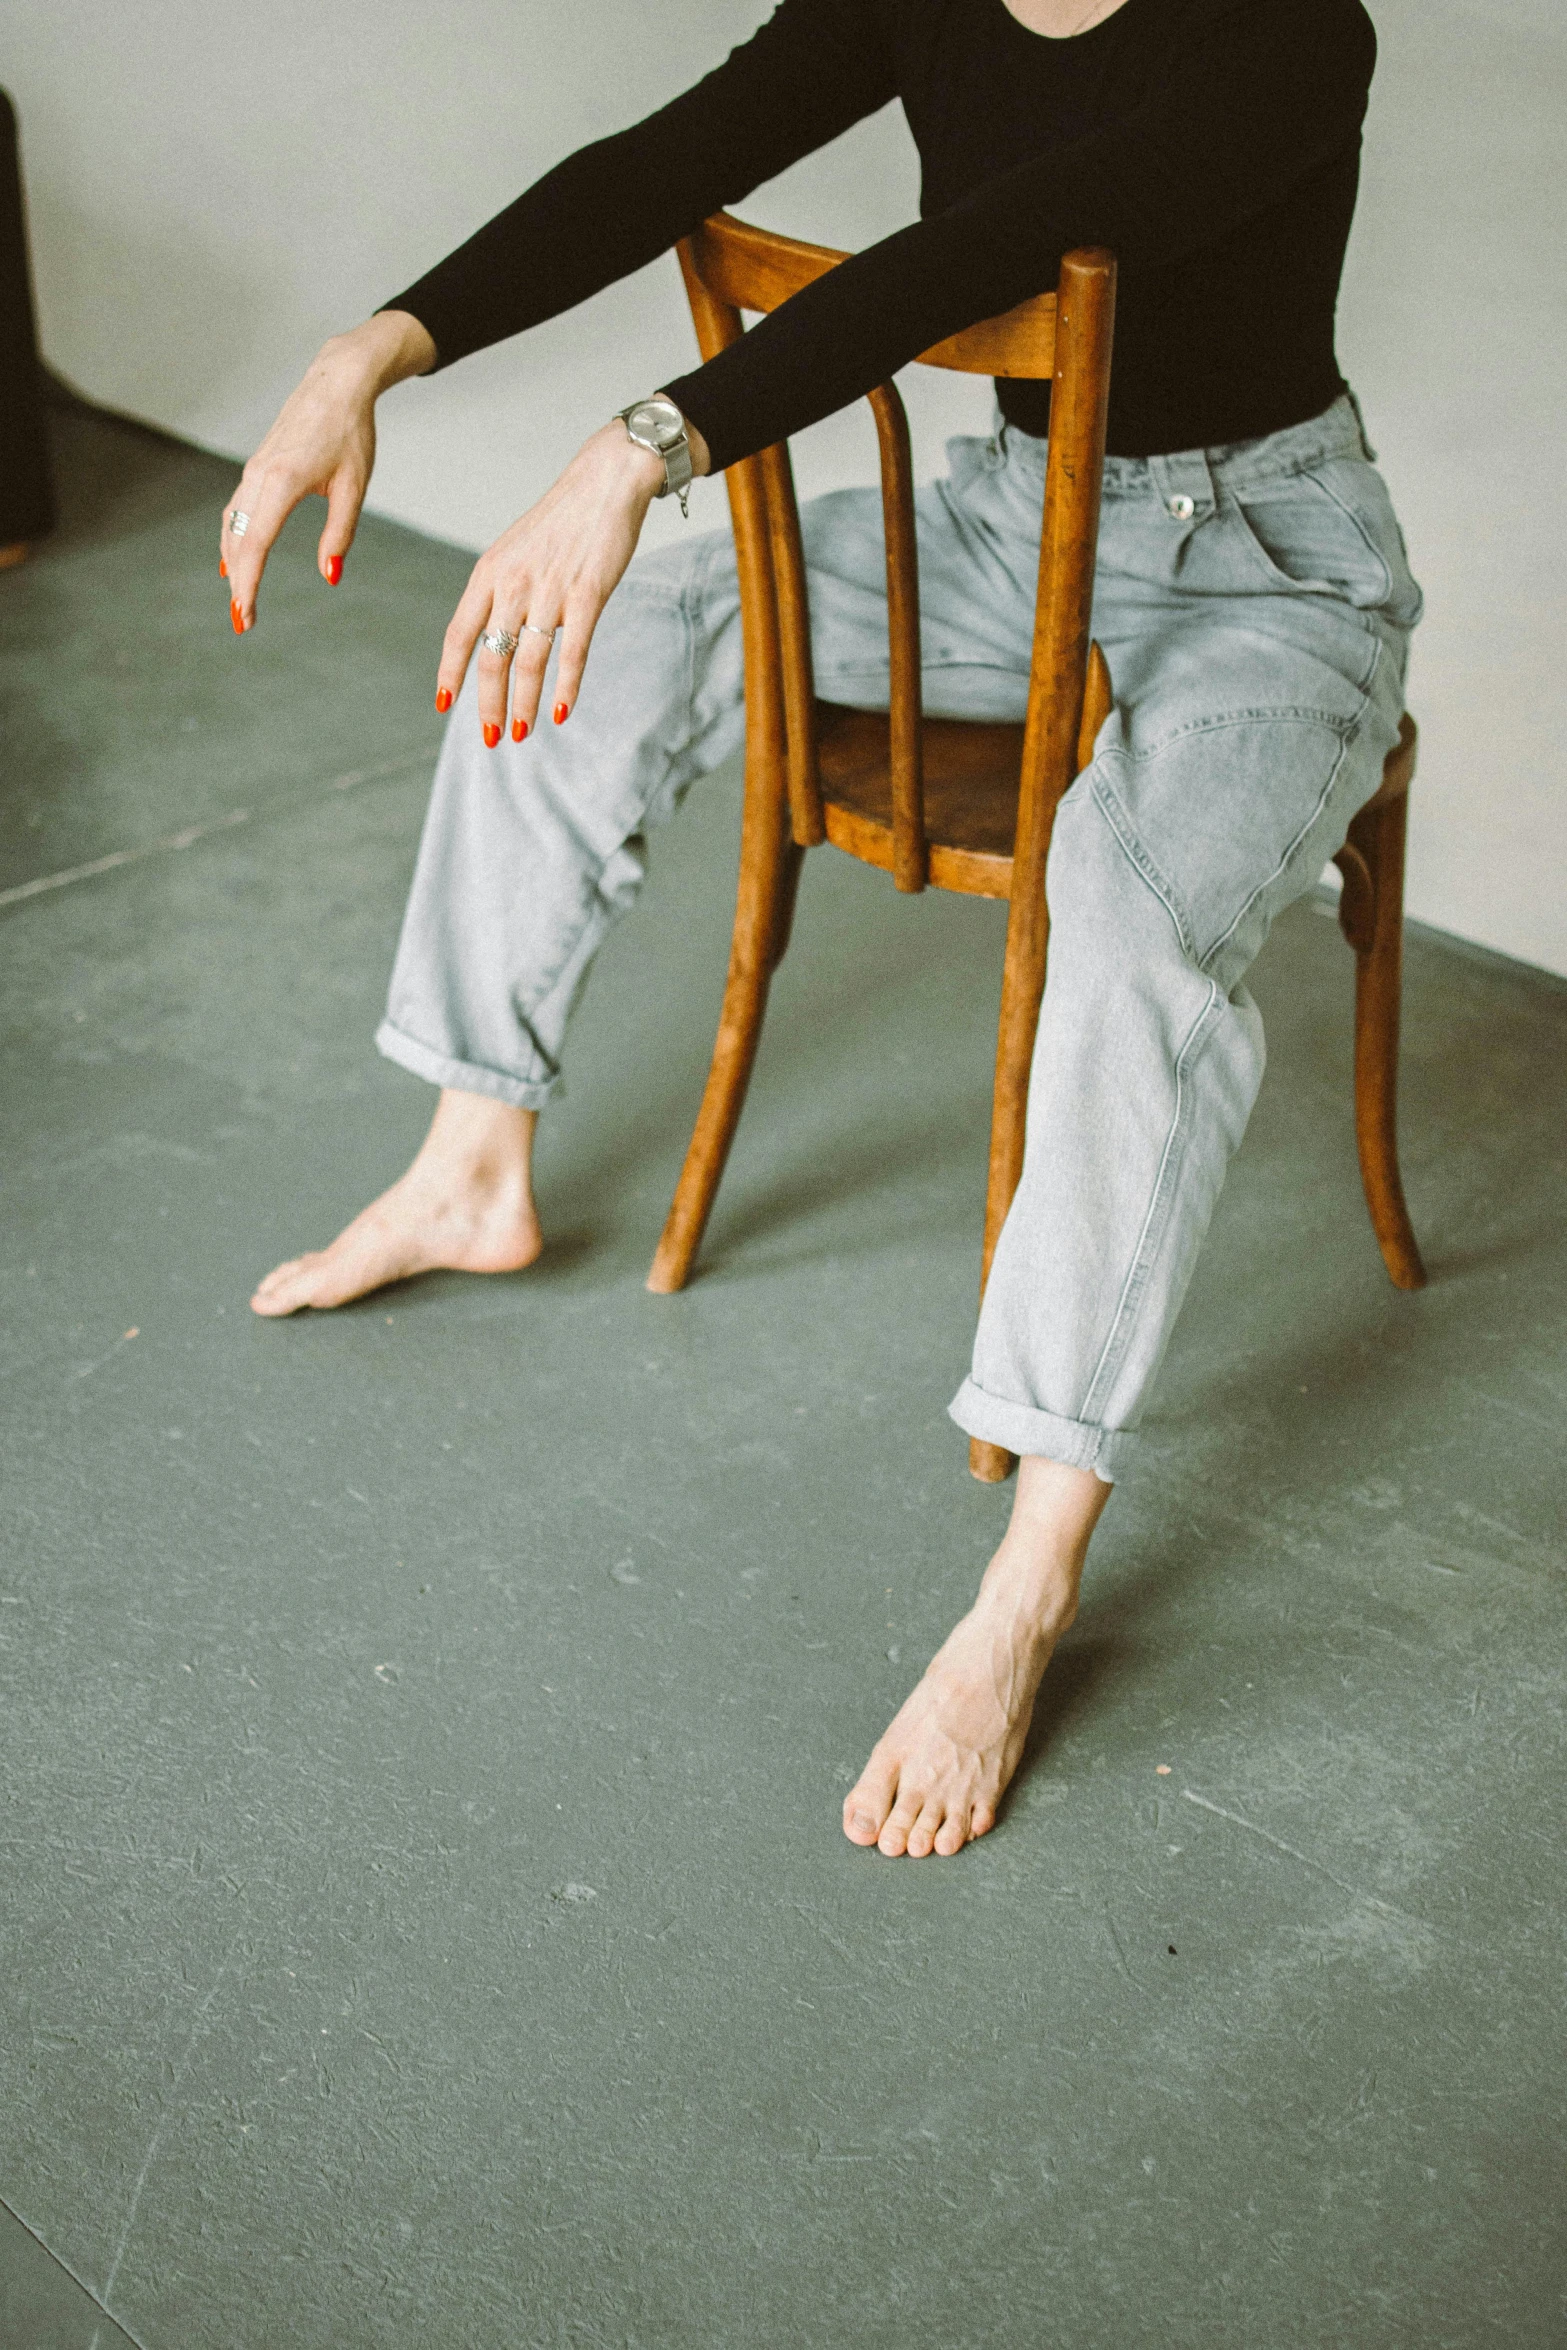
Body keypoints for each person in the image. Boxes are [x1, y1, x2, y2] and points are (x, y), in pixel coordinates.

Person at [225, 0, 1420, 1860]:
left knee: (1122, 918)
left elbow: (985, 245)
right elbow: (663, 162)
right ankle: (472, 1159)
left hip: (1261, 568)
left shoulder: (1286, 33)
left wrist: (636, 450)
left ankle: (1027, 1572)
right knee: (597, 623)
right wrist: (372, 348)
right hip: (1016, 526)